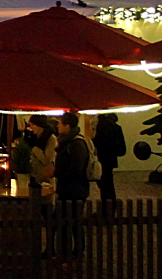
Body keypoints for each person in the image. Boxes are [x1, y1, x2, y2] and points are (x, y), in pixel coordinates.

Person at [50, 112, 91, 261]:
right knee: (68, 222)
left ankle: (69, 254)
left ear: (67, 126)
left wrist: (56, 171)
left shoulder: (76, 144)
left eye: (60, 124)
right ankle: (64, 252)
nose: (58, 126)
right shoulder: (68, 142)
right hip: (68, 189)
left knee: (70, 223)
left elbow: (76, 169)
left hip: (74, 190)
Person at [93, 113, 125, 205]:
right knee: (108, 183)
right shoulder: (116, 126)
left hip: (101, 158)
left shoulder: (101, 125)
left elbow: (99, 142)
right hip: (111, 159)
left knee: (103, 184)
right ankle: (110, 207)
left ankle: (106, 207)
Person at [26, 115, 58, 186]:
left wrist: (35, 149)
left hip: (46, 180)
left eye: (32, 125)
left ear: (39, 125)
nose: (30, 128)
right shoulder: (36, 137)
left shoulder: (51, 139)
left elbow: (47, 160)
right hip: (37, 177)